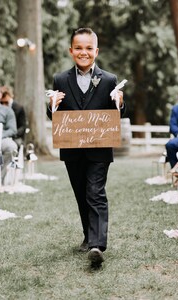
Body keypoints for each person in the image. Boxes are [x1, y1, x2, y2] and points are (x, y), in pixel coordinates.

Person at [46, 28, 126, 268]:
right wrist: (52, 106)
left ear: (96, 51)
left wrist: (120, 103)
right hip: (71, 150)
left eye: (88, 48)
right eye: (78, 48)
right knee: (82, 194)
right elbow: (55, 116)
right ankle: (88, 236)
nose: (84, 52)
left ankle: (97, 245)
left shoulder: (109, 79)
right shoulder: (60, 79)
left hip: (99, 149)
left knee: (95, 191)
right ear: (71, 51)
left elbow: (118, 114)